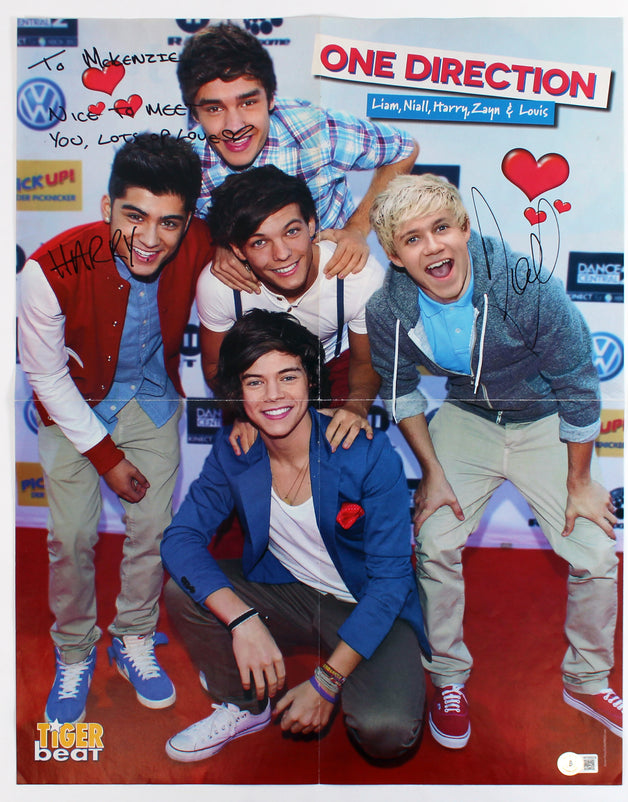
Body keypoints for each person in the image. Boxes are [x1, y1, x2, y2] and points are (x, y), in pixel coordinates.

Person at [365, 173, 622, 748]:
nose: (433, 247)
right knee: (434, 540)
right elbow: (400, 390)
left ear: (464, 228)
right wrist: (432, 474)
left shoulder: (524, 284)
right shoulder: (387, 309)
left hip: (546, 418)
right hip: (469, 417)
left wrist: (580, 481)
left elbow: (578, 383)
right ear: (395, 256)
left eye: (441, 228)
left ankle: (586, 680)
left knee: (596, 551)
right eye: (412, 239)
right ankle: (448, 678)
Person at [160, 309, 429, 762]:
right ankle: (245, 706)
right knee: (185, 592)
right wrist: (243, 621)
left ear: (310, 380)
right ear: (237, 392)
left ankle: (370, 665)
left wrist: (326, 683)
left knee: (387, 734)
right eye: (255, 382)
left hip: (368, 603)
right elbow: (180, 538)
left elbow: (390, 582)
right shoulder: (236, 449)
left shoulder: (364, 451)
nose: (273, 395)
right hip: (290, 592)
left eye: (288, 376)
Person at [18, 133, 215, 724]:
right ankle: (74, 650)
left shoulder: (200, 241)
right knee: (71, 536)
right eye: (134, 216)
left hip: (152, 401)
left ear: (188, 222)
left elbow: (267, 239)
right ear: (107, 207)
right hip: (73, 407)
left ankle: (133, 636)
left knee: (154, 528)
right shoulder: (47, 268)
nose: (150, 238)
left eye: (169, 223)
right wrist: (107, 458)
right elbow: (46, 377)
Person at [176, 21, 418, 288]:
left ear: (271, 99)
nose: (234, 127)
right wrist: (219, 245)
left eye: (248, 102)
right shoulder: (188, 164)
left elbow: (404, 150)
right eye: (214, 109)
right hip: (252, 288)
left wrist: (357, 229)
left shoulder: (313, 130)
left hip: (332, 276)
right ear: (194, 114)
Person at [199, 164, 384, 453]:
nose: (282, 254)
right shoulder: (220, 285)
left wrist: (356, 407)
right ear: (237, 249)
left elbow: (365, 362)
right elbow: (214, 367)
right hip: (254, 378)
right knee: (248, 462)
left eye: (292, 231)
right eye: (260, 242)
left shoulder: (357, 275)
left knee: (343, 456)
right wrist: (241, 412)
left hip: (333, 369)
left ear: (311, 225)